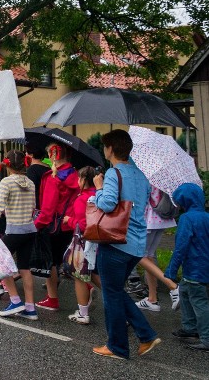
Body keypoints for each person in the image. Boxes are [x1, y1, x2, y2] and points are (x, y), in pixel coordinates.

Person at [91, 129, 159, 359]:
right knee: (115, 290)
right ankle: (145, 334)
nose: (104, 150)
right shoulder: (140, 175)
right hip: (136, 244)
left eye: (105, 147)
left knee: (111, 294)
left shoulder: (113, 173)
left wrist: (98, 188)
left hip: (116, 242)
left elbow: (108, 204)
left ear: (110, 149)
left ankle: (118, 346)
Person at [0, 150, 38, 320]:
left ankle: (15, 300)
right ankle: (30, 308)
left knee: (2, 265)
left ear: (7, 165)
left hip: (14, 230)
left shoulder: (6, 182)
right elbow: (32, 207)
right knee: (24, 268)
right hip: (29, 230)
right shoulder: (30, 183)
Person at [33, 142, 80, 312]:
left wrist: (36, 225)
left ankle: (52, 298)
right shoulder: (75, 174)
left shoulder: (53, 177)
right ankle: (87, 291)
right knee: (70, 261)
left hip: (53, 226)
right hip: (70, 224)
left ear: (54, 154)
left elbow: (48, 209)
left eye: (49, 153)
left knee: (51, 262)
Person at [164, 182, 209, 352]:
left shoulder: (186, 219)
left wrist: (171, 270)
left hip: (194, 268)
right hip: (204, 266)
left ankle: (205, 337)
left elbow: (181, 247)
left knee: (199, 301)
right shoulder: (206, 217)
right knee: (184, 292)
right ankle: (190, 327)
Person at [64, 166, 102, 325]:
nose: (77, 181)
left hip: (85, 242)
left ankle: (83, 313)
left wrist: (69, 220)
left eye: (79, 178)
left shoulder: (82, 199)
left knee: (79, 275)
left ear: (84, 180)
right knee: (98, 276)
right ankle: (124, 307)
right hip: (101, 241)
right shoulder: (99, 195)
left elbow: (83, 224)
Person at [133, 185, 181, 312]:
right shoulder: (163, 175)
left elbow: (140, 196)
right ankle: (152, 299)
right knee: (149, 256)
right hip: (161, 217)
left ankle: (173, 287)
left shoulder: (147, 173)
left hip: (148, 217)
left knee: (137, 255)